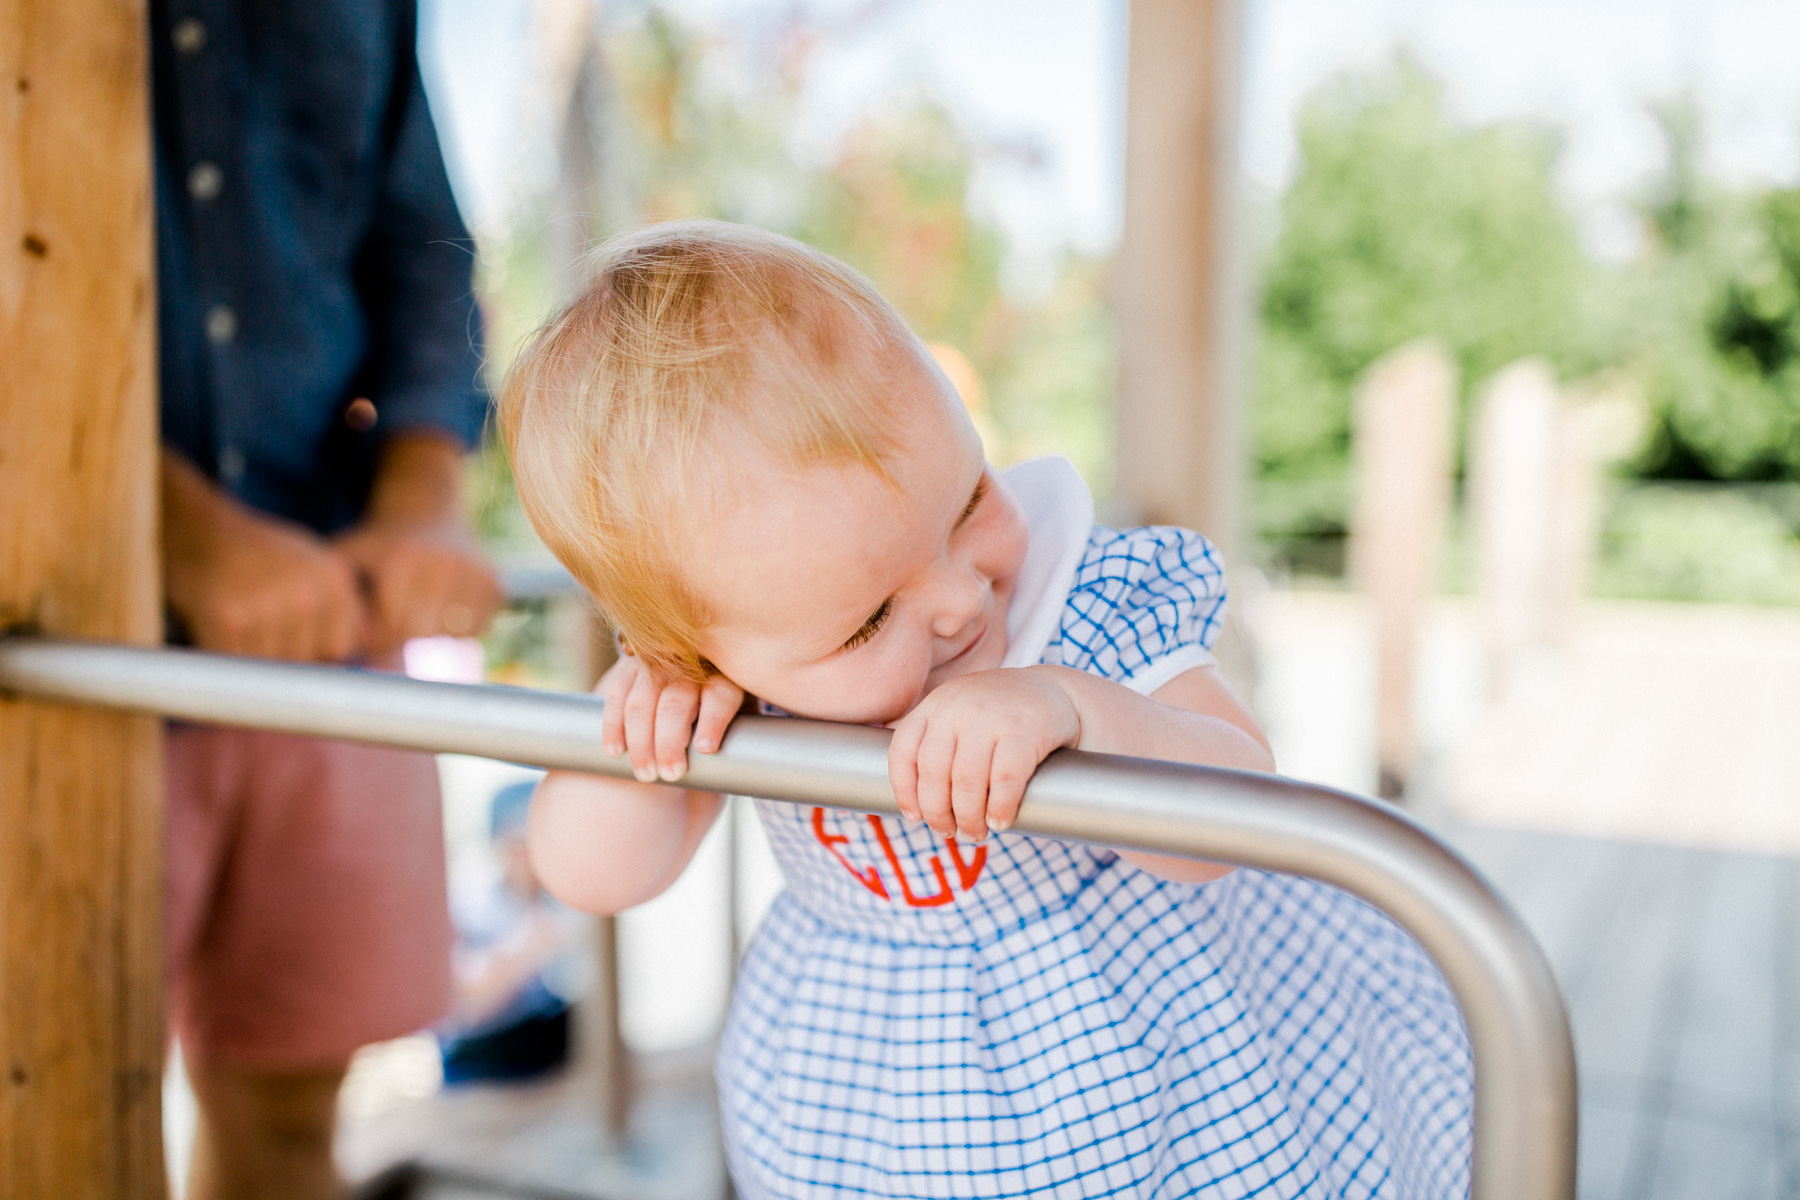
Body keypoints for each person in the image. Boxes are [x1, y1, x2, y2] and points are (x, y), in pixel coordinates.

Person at [500, 221, 1473, 1199]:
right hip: (869, 1106)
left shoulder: (1076, 605)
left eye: (968, 501)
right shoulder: (734, 694)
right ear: (707, 648)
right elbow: (592, 876)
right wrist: (637, 730)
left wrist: (1075, 706)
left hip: (1160, 1070)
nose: (963, 598)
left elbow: (1239, 813)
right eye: (871, 618)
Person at [152, 1, 501, 1196]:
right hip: (60, 628)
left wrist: (421, 494)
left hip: (331, 620)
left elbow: (424, 247)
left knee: (294, 1108)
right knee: (49, 1112)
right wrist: (177, 534)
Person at [438, 779, 588, 1085]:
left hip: (548, 1044)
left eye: (539, 842)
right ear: (498, 844)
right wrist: (526, 949)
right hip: (479, 1056)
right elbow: (461, 1002)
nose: (529, 856)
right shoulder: (471, 903)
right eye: (519, 844)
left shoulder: (571, 902)